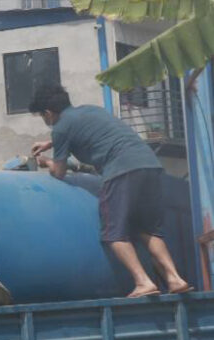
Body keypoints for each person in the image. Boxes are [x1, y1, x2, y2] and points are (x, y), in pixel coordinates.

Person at [29, 84, 192, 298]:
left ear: (48, 113)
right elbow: (88, 130)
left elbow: (59, 172)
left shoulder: (60, 128)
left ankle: (143, 282)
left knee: (113, 234)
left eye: (42, 116)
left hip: (121, 170)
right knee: (149, 230)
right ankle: (175, 279)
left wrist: (46, 161)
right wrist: (51, 142)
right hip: (150, 166)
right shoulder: (91, 110)